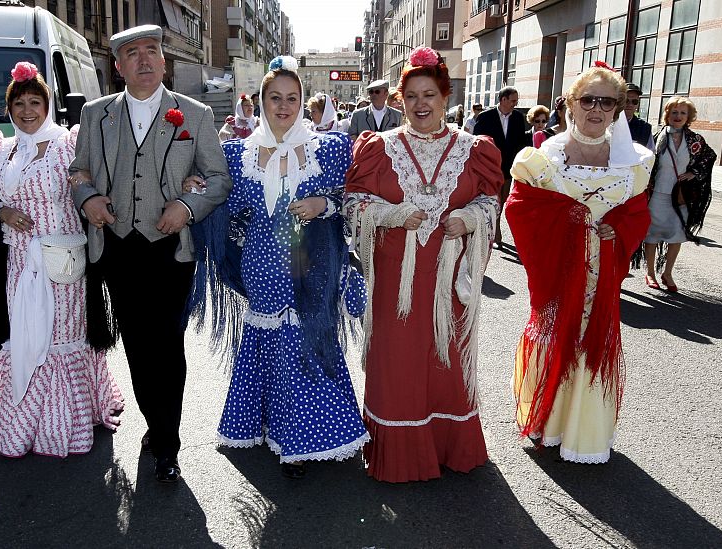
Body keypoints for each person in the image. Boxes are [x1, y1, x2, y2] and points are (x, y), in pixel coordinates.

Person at [187, 55, 368, 480]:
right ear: (262, 102)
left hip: (311, 268)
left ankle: (305, 440)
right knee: (271, 349)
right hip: (262, 268)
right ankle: (275, 429)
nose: (283, 106)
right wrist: (195, 186)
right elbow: (221, 203)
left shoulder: (331, 149)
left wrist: (323, 204)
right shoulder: (237, 154)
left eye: (292, 98)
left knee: (305, 344)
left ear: (302, 102)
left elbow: (357, 203)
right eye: (274, 98)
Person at [68, 25, 232, 483]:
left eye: (152, 52)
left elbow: (217, 179)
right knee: (138, 347)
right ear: (117, 67)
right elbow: (77, 170)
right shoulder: (96, 113)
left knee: (167, 344)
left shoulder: (193, 115)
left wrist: (187, 205)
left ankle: (167, 442)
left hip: (169, 250)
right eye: (132, 53)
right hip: (118, 248)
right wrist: (88, 199)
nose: (143, 60)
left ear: (165, 62)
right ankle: (155, 424)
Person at [345, 46, 503, 482]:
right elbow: (354, 202)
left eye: (429, 95)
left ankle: (448, 445)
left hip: (449, 278)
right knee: (397, 364)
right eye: (411, 96)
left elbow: (490, 201)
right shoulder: (380, 149)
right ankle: (399, 454)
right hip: (396, 278)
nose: (420, 105)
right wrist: (391, 214)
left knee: (445, 360)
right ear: (400, 100)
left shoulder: (474, 150)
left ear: (445, 98)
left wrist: (470, 218)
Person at [505, 65, 654, 463]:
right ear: (570, 103)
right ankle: (548, 424)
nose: (596, 109)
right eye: (588, 99)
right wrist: (568, 222)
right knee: (555, 333)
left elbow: (637, 214)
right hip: (558, 272)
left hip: (601, 275)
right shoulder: (541, 158)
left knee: (591, 343)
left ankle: (582, 435)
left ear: (618, 109)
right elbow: (520, 210)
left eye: (607, 102)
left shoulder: (635, 162)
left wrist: (615, 229)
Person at [0, 62, 124, 458]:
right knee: (26, 334)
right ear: (9, 109)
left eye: (35, 102)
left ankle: (66, 422)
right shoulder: (0, 153)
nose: (28, 111)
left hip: (63, 264)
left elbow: (97, 187)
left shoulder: (69, 143)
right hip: (21, 263)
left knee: (59, 337)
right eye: (20, 104)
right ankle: (21, 420)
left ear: (48, 104)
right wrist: (1, 213)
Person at [642, 96, 716, 292]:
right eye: (674, 112)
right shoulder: (657, 137)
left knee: (677, 234)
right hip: (657, 194)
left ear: (689, 117)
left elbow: (709, 157)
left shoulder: (695, 140)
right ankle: (650, 273)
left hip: (680, 196)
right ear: (668, 114)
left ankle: (667, 273)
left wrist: (694, 173)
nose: (678, 116)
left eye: (683, 113)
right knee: (652, 234)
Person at [472, 86, 525, 248]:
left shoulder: (518, 117)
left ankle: (494, 231)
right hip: (489, 168)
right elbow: (476, 141)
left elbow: (520, 142)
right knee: (491, 199)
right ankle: (495, 235)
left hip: (508, 169)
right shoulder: (485, 117)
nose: (515, 104)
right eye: (513, 101)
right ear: (503, 100)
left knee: (502, 201)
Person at [624, 83, 654, 150]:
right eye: (626, 101)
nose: (630, 104)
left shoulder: (645, 128)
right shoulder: (607, 124)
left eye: (634, 101)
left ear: (638, 104)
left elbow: (651, 153)